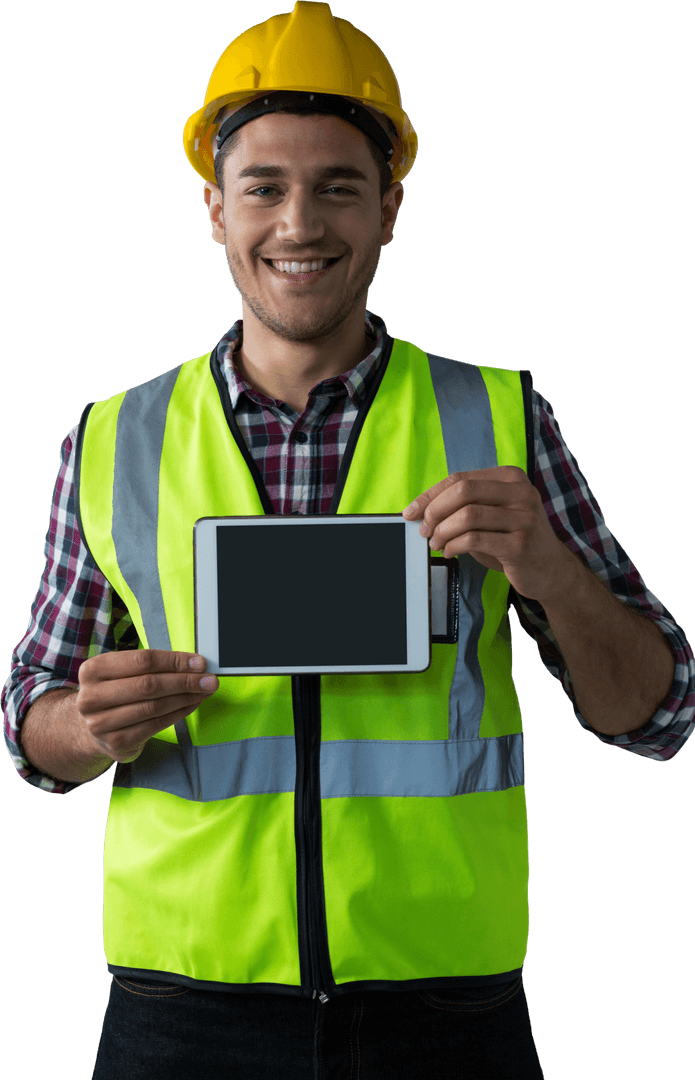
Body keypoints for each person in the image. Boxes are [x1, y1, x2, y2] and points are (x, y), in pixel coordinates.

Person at [2, 3, 693, 1077]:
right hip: (182, 1008)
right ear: (213, 209)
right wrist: (91, 726)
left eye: (337, 186)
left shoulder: (498, 417)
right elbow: (28, 721)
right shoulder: (112, 439)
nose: (299, 225)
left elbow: (653, 714)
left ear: (389, 209)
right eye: (263, 188)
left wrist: (550, 570)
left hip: (443, 1006)